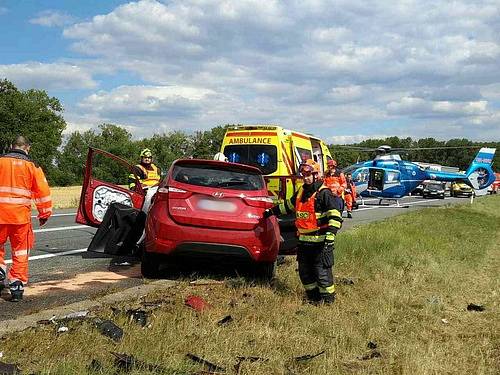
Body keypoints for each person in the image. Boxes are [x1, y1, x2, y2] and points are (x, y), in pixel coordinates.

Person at [264, 159, 343, 304]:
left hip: (321, 243)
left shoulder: (324, 193)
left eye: (308, 174)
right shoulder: (301, 191)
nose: (305, 177)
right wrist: (271, 212)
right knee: (305, 273)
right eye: (303, 174)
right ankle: (313, 299)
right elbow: (288, 206)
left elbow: (335, 216)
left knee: (322, 274)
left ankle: (328, 302)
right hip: (304, 243)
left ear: (315, 175)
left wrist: (330, 237)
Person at [0, 136, 52, 302]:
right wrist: (44, 213)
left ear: (11, 146)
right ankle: (16, 285)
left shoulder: (1, 162)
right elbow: (42, 191)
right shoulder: (32, 166)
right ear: (27, 148)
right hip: (20, 218)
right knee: (21, 252)